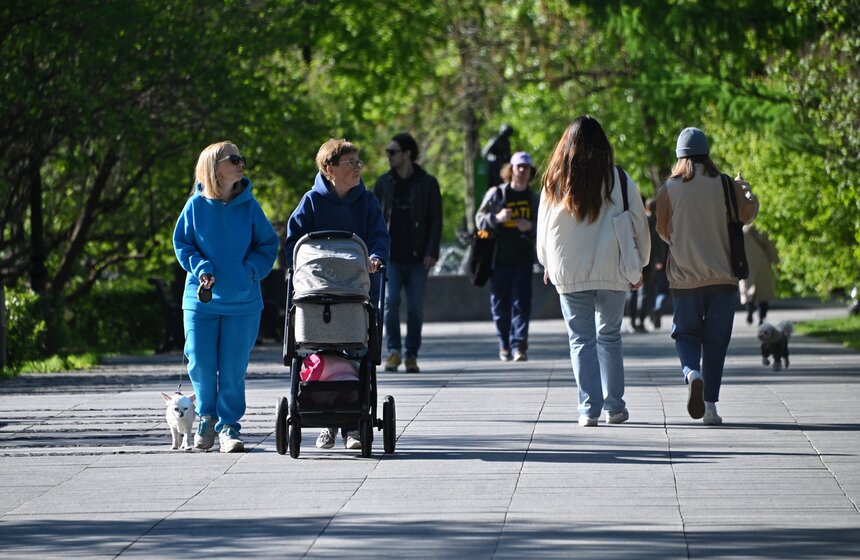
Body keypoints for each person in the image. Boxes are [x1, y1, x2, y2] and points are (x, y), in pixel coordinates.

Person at [537, 115, 651, 427]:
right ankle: (615, 407)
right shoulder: (620, 179)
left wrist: (547, 262)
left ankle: (588, 410)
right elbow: (639, 224)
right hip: (612, 267)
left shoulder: (555, 181)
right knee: (610, 336)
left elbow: (543, 229)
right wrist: (639, 265)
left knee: (580, 340)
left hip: (569, 269)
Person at [173, 141, 279, 453]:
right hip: (200, 300)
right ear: (213, 166)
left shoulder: (249, 206)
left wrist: (250, 270)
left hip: (242, 302)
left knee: (232, 368)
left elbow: (267, 245)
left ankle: (229, 428)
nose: (240, 162)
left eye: (241, 157)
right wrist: (200, 266)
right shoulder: (194, 206)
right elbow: (182, 244)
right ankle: (206, 417)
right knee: (202, 365)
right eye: (233, 158)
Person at [284, 138, 390, 451]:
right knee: (318, 349)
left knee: (356, 350)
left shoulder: (366, 201)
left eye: (359, 162)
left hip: (356, 291)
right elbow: (293, 245)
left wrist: (376, 257)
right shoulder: (311, 202)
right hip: (318, 292)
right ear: (330, 169)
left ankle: (352, 425)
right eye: (350, 163)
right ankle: (328, 422)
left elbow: (380, 237)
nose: (358, 167)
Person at [656, 127, 759, 426]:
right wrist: (746, 189)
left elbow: (663, 232)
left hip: (685, 279)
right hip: (724, 279)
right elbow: (748, 215)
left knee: (686, 333)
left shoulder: (669, 190)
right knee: (716, 343)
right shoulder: (726, 185)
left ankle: (692, 372)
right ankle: (710, 408)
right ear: (707, 153)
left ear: (679, 157)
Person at [373, 132, 443, 373]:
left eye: (393, 152)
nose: (389, 156)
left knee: (415, 308)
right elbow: (375, 220)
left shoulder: (427, 183)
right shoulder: (383, 183)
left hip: (418, 258)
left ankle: (411, 354)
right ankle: (393, 351)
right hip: (390, 257)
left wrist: (432, 250)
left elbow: (436, 219)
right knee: (390, 303)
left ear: (407, 154)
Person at [475, 151, 540, 362]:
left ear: (530, 172)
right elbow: (479, 220)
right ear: (510, 170)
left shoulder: (534, 199)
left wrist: (530, 226)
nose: (521, 171)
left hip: (523, 260)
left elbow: (547, 228)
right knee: (500, 306)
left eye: (526, 168)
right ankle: (504, 343)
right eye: (518, 167)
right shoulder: (497, 194)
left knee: (522, 304)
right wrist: (497, 218)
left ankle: (519, 346)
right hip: (498, 260)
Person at [739, 224, 779, 325]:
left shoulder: (741, 231)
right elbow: (770, 246)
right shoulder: (762, 229)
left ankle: (750, 309)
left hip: (747, 264)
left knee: (748, 291)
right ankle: (762, 316)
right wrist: (776, 261)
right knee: (763, 293)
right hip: (762, 263)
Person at [645, 198, 670, 329]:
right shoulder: (660, 222)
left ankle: (651, 313)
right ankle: (658, 307)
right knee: (662, 290)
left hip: (648, 262)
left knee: (649, 291)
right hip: (661, 262)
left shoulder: (644, 221)